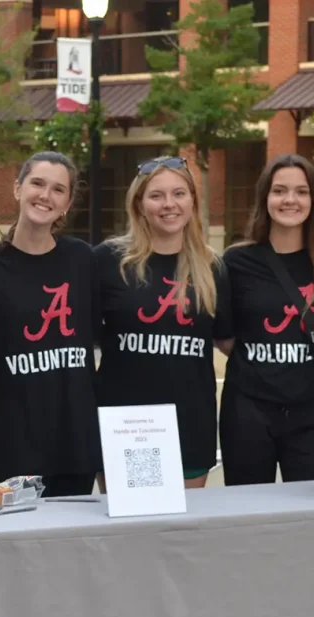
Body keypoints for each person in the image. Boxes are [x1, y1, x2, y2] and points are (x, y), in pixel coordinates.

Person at [0, 151, 101, 497]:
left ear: (67, 203)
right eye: (37, 183)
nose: (45, 195)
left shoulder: (83, 259)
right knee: (18, 530)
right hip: (14, 441)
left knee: (71, 531)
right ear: (18, 189)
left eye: (58, 189)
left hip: (76, 441)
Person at [94, 156, 232, 489]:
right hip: (123, 423)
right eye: (156, 195)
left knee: (184, 523)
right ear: (139, 205)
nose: (169, 204)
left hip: (189, 424)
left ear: (192, 201)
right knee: (123, 521)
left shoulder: (212, 267)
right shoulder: (108, 260)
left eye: (179, 193)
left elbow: (228, 340)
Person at [219, 154, 314, 485]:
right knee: (249, 508)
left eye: (301, 192)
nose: (290, 200)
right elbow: (224, 337)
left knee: (311, 508)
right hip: (248, 411)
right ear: (265, 198)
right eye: (279, 191)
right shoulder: (236, 261)